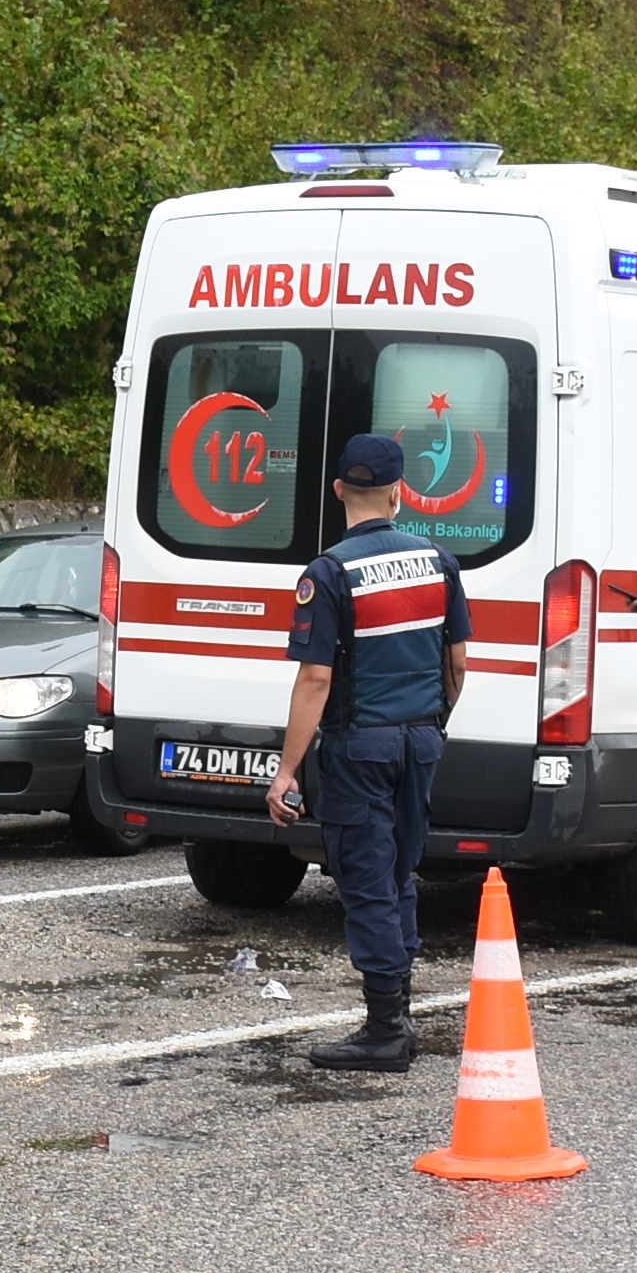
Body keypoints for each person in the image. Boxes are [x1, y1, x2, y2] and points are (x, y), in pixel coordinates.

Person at [259, 434, 474, 1073]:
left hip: (362, 746)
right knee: (401, 872)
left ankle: (385, 1030)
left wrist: (288, 770)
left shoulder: (328, 573)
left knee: (367, 879)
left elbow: (317, 680)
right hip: (420, 739)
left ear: (337, 492)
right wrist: (433, 725)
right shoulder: (438, 560)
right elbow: (457, 663)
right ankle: (397, 1011)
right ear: (399, 492)